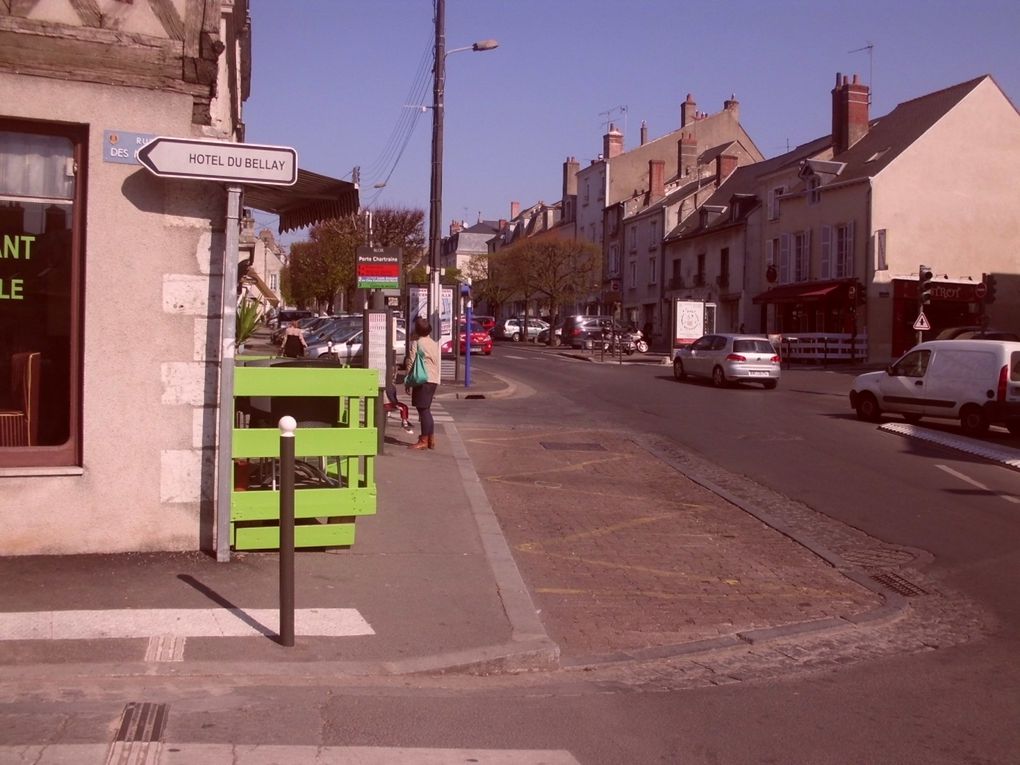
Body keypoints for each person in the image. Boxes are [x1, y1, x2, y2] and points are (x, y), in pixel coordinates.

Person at [404, 316, 440, 450]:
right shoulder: (433, 343)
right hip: (433, 379)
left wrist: (408, 382)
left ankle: (424, 439)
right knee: (426, 409)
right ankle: (431, 438)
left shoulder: (417, 343)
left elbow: (411, 363)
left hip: (422, 380)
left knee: (423, 410)